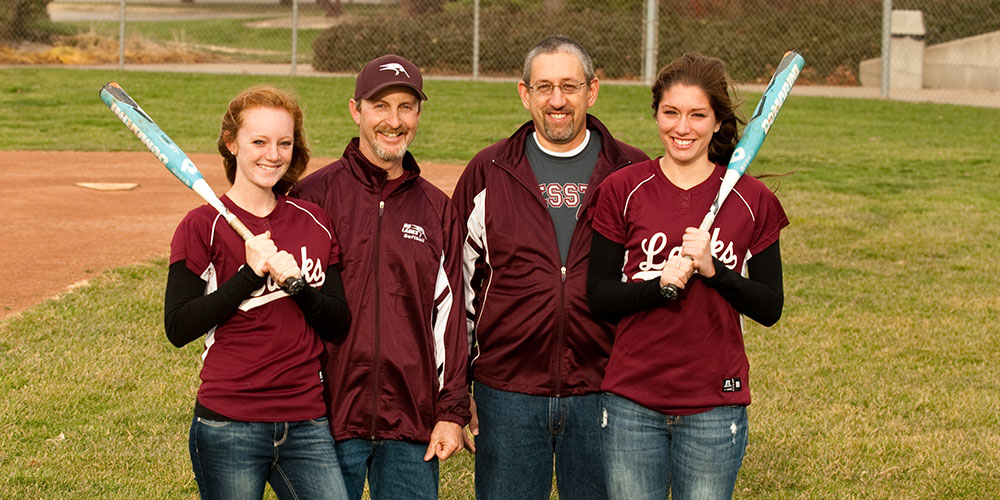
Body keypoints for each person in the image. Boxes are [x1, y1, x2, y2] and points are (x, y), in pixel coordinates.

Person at [452, 35, 649, 500]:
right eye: (543, 87)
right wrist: (459, 390)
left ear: (592, 91)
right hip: (507, 391)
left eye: (569, 86)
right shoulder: (490, 170)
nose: (556, 100)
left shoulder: (632, 171)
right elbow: (458, 287)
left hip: (604, 388)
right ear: (525, 94)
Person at [586, 53, 789, 500]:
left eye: (698, 115)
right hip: (631, 400)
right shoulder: (623, 189)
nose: (683, 127)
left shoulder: (752, 199)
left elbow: (770, 307)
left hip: (715, 403)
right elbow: (598, 296)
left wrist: (715, 272)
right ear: (656, 114)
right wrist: (658, 287)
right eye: (671, 113)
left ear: (717, 123)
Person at [289, 54, 469, 500]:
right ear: (356, 111)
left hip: (410, 420)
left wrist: (451, 411)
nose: (393, 120)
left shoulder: (436, 209)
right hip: (325, 420)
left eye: (406, 106)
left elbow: (450, 321)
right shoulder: (313, 197)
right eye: (380, 106)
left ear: (419, 114)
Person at [163, 85, 351, 500]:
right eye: (259, 141)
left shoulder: (313, 220)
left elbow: (337, 324)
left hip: (306, 421)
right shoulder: (201, 226)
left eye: (284, 143)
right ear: (232, 144)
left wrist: (297, 285)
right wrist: (249, 274)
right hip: (230, 421)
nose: (273, 154)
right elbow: (178, 326)